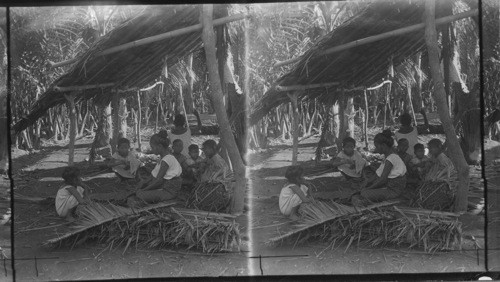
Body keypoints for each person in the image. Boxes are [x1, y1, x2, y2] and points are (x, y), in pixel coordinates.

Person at [352, 130, 407, 205]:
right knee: (364, 190)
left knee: (365, 193)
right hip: (390, 188)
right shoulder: (388, 157)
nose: (376, 149)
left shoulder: (391, 158)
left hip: (393, 191)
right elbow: (377, 174)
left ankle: (366, 201)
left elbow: (382, 180)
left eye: (377, 146)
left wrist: (369, 188)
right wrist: (366, 183)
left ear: (383, 146)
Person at [129, 131, 182, 205]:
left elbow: (158, 181)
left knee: (140, 194)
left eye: (152, 147)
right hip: (163, 188)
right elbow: (152, 175)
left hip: (168, 192)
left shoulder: (167, 159)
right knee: (138, 191)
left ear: (160, 146)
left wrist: (144, 189)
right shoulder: (163, 158)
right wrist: (143, 183)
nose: (151, 149)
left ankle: (142, 201)